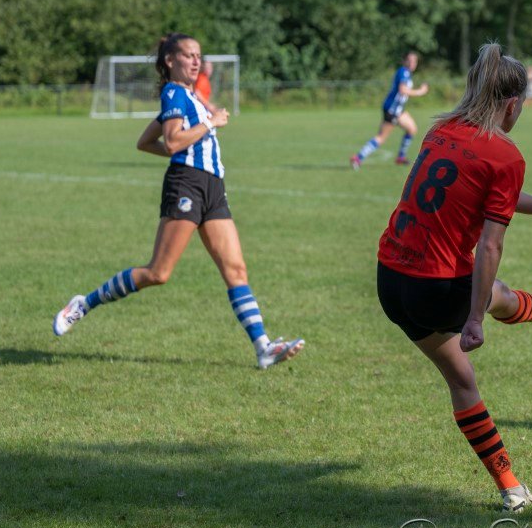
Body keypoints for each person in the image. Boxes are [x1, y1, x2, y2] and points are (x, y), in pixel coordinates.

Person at [376, 43, 532, 512]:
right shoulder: (506, 156)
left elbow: (485, 192)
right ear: (514, 104)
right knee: (491, 295)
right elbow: (491, 246)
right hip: (436, 284)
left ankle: (512, 488)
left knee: (462, 382)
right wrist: (476, 318)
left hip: (391, 278)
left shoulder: (442, 130)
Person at [53, 33, 304, 369]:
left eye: (199, 55)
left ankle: (264, 347)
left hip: (213, 187)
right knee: (158, 272)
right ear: (171, 60)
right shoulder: (173, 92)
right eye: (188, 55)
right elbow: (171, 142)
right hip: (186, 185)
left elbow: (146, 142)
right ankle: (84, 304)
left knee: (236, 270)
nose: (196, 61)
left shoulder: (190, 97)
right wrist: (209, 124)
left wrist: (198, 128)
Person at [351, 51, 430, 169]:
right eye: (410, 60)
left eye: (415, 61)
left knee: (412, 129)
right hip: (392, 110)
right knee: (381, 137)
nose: (412, 63)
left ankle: (401, 157)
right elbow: (403, 90)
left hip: (398, 110)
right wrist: (420, 92)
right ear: (404, 61)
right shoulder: (403, 72)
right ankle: (358, 158)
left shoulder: (407, 73)